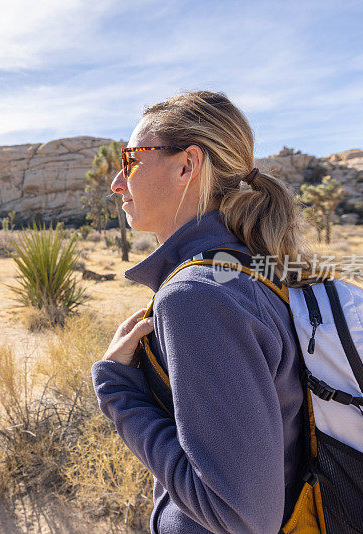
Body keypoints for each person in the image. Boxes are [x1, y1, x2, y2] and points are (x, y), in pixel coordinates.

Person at [91, 90, 309, 534]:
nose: (117, 182)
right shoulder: (251, 267)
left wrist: (119, 391)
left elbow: (241, 517)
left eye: (130, 159)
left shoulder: (197, 296)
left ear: (187, 165)